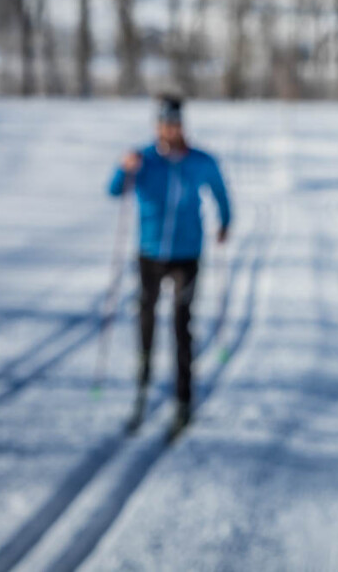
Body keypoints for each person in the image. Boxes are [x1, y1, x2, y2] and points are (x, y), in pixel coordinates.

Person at [108, 95, 231, 439]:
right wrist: (123, 167)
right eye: (164, 123)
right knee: (145, 319)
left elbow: (221, 194)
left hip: (186, 255)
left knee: (181, 324)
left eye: (175, 123)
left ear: (182, 126)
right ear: (157, 126)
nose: (170, 130)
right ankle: (142, 390)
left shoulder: (201, 161)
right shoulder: (143, 159)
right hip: (149, 254)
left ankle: (183, 400)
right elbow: (115, 190)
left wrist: (225, 223)